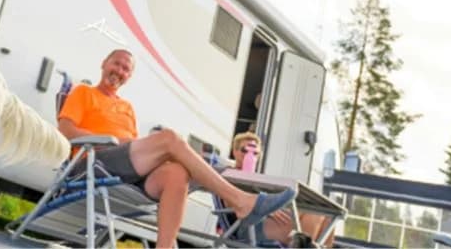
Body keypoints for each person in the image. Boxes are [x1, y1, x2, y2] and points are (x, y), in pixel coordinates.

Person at [57, 49, 296, 248]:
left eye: (126, 69)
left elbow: (134, 151)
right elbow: (66, 132)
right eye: (116, 64)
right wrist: (116, 141)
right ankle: (240, 201)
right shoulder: (84, 92)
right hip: (92, 164)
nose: (119, 71)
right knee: (170, 138)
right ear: (104, 63)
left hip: (122, 173)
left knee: (177, 173)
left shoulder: (127, 108)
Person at [226, 132, 335, 247]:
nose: (250, 154)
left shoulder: (258, 180)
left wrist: (270, 206)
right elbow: (230, 203)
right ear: (235, 151)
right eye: (245, 150)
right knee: (313, 216)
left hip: (264, 220)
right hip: (246, 225)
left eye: (255, 152)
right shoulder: (229, 175)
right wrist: (264, 206)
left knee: (325, 216)